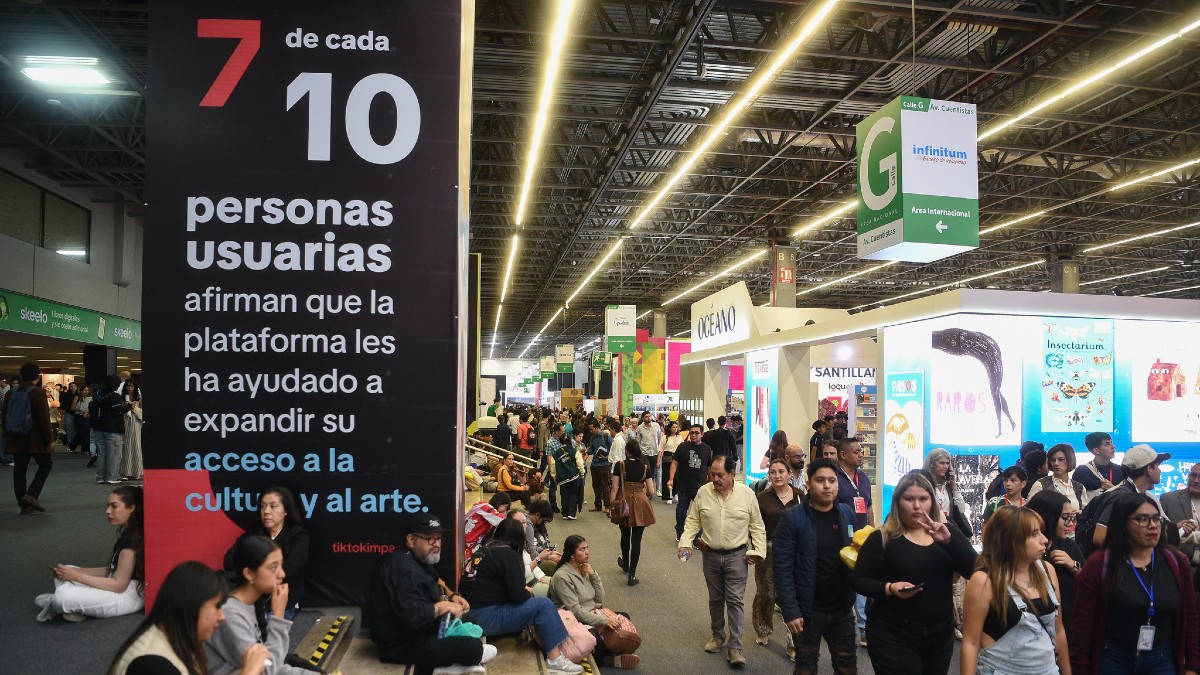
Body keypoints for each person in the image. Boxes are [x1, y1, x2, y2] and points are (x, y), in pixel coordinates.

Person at [852, 471, 977, 675]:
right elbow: (858, 580)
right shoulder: (883, 537)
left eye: (923, 499)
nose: (917, 506)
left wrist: (948, 542)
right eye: (909, 499)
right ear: (898, 502)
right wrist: (889, 588)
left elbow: (975, 569)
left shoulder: (947, 531)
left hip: (939, 635)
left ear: (932, 501)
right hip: (893, 633)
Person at [1071, 493, 1200, 675]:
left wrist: (1191, 664)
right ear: (1122, 524)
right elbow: (1082, 626)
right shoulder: (1099, 565)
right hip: (1113, 658)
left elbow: (1190, 616)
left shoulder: (1175, 562)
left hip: (1161, 657)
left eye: (1156, 519)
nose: (1153, 525)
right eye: (1142, 519)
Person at [365, 514, 495, 671]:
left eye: (439, 538)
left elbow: (435, 578)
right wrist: (442, 607)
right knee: (473, 647)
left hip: (421, 629)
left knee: (471, 619)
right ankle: (463, 659)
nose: (437, 544)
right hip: (400, 644)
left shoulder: (416, 557)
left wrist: (452, 596)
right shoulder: (403, 570)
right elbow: (411, 616)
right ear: (411, 540)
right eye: (430, 539)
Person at [678, 455, 768, 670]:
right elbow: (692, 520)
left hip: (738, 556)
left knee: (735, 600)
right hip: (710, 555)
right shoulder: (703, 492)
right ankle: (718, 636)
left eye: (720, 475)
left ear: (731, 473)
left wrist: (758, 551)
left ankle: (735, 647)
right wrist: (685, 543)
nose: (715, 479)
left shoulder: (747, 495)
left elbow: (757, 526)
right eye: (713, 474)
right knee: (715, 599)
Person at [459, 519, 583, 674]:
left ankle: (549, 644)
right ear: (519, 538)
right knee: (543, 604)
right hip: (484, 617)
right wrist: (527, 592)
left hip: (470, 614)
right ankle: (555, 659)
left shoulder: (485, 549)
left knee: (533, 601)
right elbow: (517, 596)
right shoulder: (507, 554)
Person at [960, 505, 1070, 675]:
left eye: (1041, 532)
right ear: (1012, 540)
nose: (1045, 540)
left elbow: (1058, 630)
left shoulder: (1047, 570)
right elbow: (970, 643)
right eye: (1034, 534)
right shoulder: (984, 581)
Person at [107, 561, 268, 675]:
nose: (222, 616)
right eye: (217, 607)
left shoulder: (174, 636)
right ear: (193, 606)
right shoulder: (153, 664)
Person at [774, 457, 857, 674]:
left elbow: (854, 555)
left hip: (842, 609)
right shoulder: (793, 518)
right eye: (820, 480)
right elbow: (782, 569)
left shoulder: (846, 514)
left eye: (832, 480)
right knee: (806, 666)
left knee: (847, 665)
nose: (827, 485)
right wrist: (790, 611)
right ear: (809, 485)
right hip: (808, 611)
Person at [206, 536, 313, 675]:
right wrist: (279, 617)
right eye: (273, 567)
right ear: (249, 574)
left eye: (281, 565)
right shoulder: (231, 615)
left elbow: (277, 667)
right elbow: (267, 670)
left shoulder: (250, 604)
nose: (282, 574)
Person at [37, 485, 145, 622]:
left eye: (114, 506)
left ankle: (59, 602)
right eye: (108, 506)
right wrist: (75, 572)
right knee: (66, 571)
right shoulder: (130, 532)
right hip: (120, 586)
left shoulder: (132, 539)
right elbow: (112, 571)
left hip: (127, 595)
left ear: (131, 508)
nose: (108, 511)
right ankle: (78, 608)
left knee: (62, 597)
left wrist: (77, 576)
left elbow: (119, 585)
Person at [550, 535, 640, 670]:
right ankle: (606, 658)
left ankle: (611, 652)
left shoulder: (582, 568)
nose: (587, 552)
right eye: (582, 549)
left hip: (590, 612)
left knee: (623, 616)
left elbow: (599, 598)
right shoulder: (562, 577)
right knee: (594, 639)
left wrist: (593, 575)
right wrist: (603, 620)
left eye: (587, 548)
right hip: (573, 619)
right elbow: (575, 611)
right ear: (572, 555)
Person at [222, 487, 309, 618]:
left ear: (285, 511)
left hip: (279, 601)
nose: (266, 511)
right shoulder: (254, 533)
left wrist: (255, 572)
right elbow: (229, 561)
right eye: (263, 506)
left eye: (273, 506)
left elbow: (288, 570)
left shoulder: (298, 535)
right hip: (249, 600)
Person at [752, 459, 801, 649]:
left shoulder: (799, 496)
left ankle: (794, 641)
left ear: (789, 474)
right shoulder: (762, 497)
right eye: (773, 472)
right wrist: (756, 549)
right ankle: (763, 629)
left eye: (781, 472)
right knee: (767, 592)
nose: (777, 476)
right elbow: (755, 526)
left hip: (795, 550)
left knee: (793, 593)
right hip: (768, 549)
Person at [1027, 490, 1085, 636]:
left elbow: (1089, 585)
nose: (1070, 523)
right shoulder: (1026, 550)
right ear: (1048, 517)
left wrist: (1073, 566)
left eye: (1072, 517)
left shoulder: (1069, 546)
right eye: (1065, 517)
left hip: (1069, 628)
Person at [1091, 445, 1169, 549]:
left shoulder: (1146, 496)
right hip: (1117, 564)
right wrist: (1136, 552)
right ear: (1149, 469)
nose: (1160, 471)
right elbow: (1099, 538)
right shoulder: (1120, 496)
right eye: (1158, 466)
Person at [834, 438, 874, 645]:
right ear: (843, 455)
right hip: (840, 541)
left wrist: (872, 532)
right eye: (857, 451)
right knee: (841, 584)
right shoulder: (834, 478)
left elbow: (868, 506)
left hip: (863, 541)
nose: (861, 454)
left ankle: (864, 628)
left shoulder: (864, 478)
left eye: (861, 451)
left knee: (862, 585)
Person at [3, 362, 55, 514]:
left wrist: (8, 434)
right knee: (46, 465)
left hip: (16, 438)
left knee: (19, 470)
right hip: (34, 439)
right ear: (37, 377)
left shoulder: (10, 393)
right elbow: (43, 419)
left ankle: (24, 505)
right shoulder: (38, 393)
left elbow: (5, 415)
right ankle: (31, 495)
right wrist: (49, 440)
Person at [609, 439, 656, 586]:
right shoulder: (645, 467)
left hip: (624, 502)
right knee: (637, 540)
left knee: (625, 535)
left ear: (627, 451)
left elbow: (614, 488)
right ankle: (632, 574)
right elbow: (651, 490)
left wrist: (612, 505)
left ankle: (625, 563)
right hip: (640, 502)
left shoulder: (620, 465)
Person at [668, 423, 713, 540]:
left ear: (702, 434)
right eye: (692, 433)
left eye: (697, 433)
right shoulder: (683, 447)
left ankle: (698, 537)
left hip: (700, 487)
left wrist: (713, 482)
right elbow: (674, 463)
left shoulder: (706, 449)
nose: (694, 435)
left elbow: (709, 467)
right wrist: (671, 479)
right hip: (684, 485)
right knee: (681, 511)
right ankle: (680, 531)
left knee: (701, 513)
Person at [1029, 442, 1089, 515]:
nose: (1056, 463)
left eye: (1061, 459)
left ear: (1070, 460)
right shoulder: (1041, 484)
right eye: (1053, 460)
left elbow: (1086, 514)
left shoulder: (1079, 488)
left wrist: (1080, 513)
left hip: (1074, 524)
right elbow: (1030, 513)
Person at [924, 448, 972, 536]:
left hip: (948, 531)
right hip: (928, 531)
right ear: (931, 464)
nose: (945, 467)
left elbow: (961, 509)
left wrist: (954, 486)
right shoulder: (923, 486)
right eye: (942, 463)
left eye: (947, 463)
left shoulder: (948, 486)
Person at [91, 374, 128, 486]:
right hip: (113, 428)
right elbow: (118, 411)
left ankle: (100, 476)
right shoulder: (114, 396)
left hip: (98, 427)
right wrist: (129, 406)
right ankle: (112, 476)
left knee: (102, 453)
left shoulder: (96, 395)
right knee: (114, 454)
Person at [1161, 463, 1200, 566]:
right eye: (1193, 475)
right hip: (1179, 566)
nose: (1196, 480)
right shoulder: (1168, 499)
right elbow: (1159, 534)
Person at [1073, 431, 1123, 502]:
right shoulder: (1082, 472)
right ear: (1096, 450)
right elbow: (1076, 499)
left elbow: (1129, 497)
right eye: (1107, 444)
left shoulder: (1119, 470)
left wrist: (1113, 489)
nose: (1113, 447)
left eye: (1112, 443)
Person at [547, 422, 583, 520]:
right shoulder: (574, 450)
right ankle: (572, 513)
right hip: (574, 476)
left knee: (564, 494)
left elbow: (553, 465)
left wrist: (554, 476)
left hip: (562, 478)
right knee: (573, 494)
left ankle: (565, 513)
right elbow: (579, 462)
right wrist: (582, 472)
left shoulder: (557, 453)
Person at [463, 492, 511, 558]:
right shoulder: (487, 508)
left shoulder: (483, 505)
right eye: (505, 507)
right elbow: (503, 521)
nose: (504, 510)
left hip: (469, 540)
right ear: (498, 503)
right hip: (469, 544)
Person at [119, 379, 143, 480]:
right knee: (125, 446)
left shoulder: (139, 398)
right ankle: (125, 472)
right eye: (128, 386)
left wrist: (134, 408)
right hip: (125, 422)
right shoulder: (121, 398)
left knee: (136, 446)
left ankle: (136, 472)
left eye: (132, 386)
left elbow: (143, 412)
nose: (130, 388)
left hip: (136, 422)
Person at [587, 418, 612, 512]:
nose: (591, 431)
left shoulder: (606, 437)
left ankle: (607, 506)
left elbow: (612, 451)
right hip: (595, 465)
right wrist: (587, 451)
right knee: (596, 486)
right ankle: (597, 505)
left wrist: (605, 458)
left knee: (605, 486)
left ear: (597, 428)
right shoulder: (593, 437)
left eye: (592, 429)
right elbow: (592, 449)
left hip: (604, 465)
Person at [657, 420, 683, 501]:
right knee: (667, 477)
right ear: (669, 428)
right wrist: (658, 460)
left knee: (677, 477)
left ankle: (675, 493)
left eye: (676, 427)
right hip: (667, 458)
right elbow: (660, 449)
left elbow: (682, 447)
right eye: (673, 427)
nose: (675, 429)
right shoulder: (665, 437)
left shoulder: (680, 437)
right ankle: (668, 496)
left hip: (678, 457)